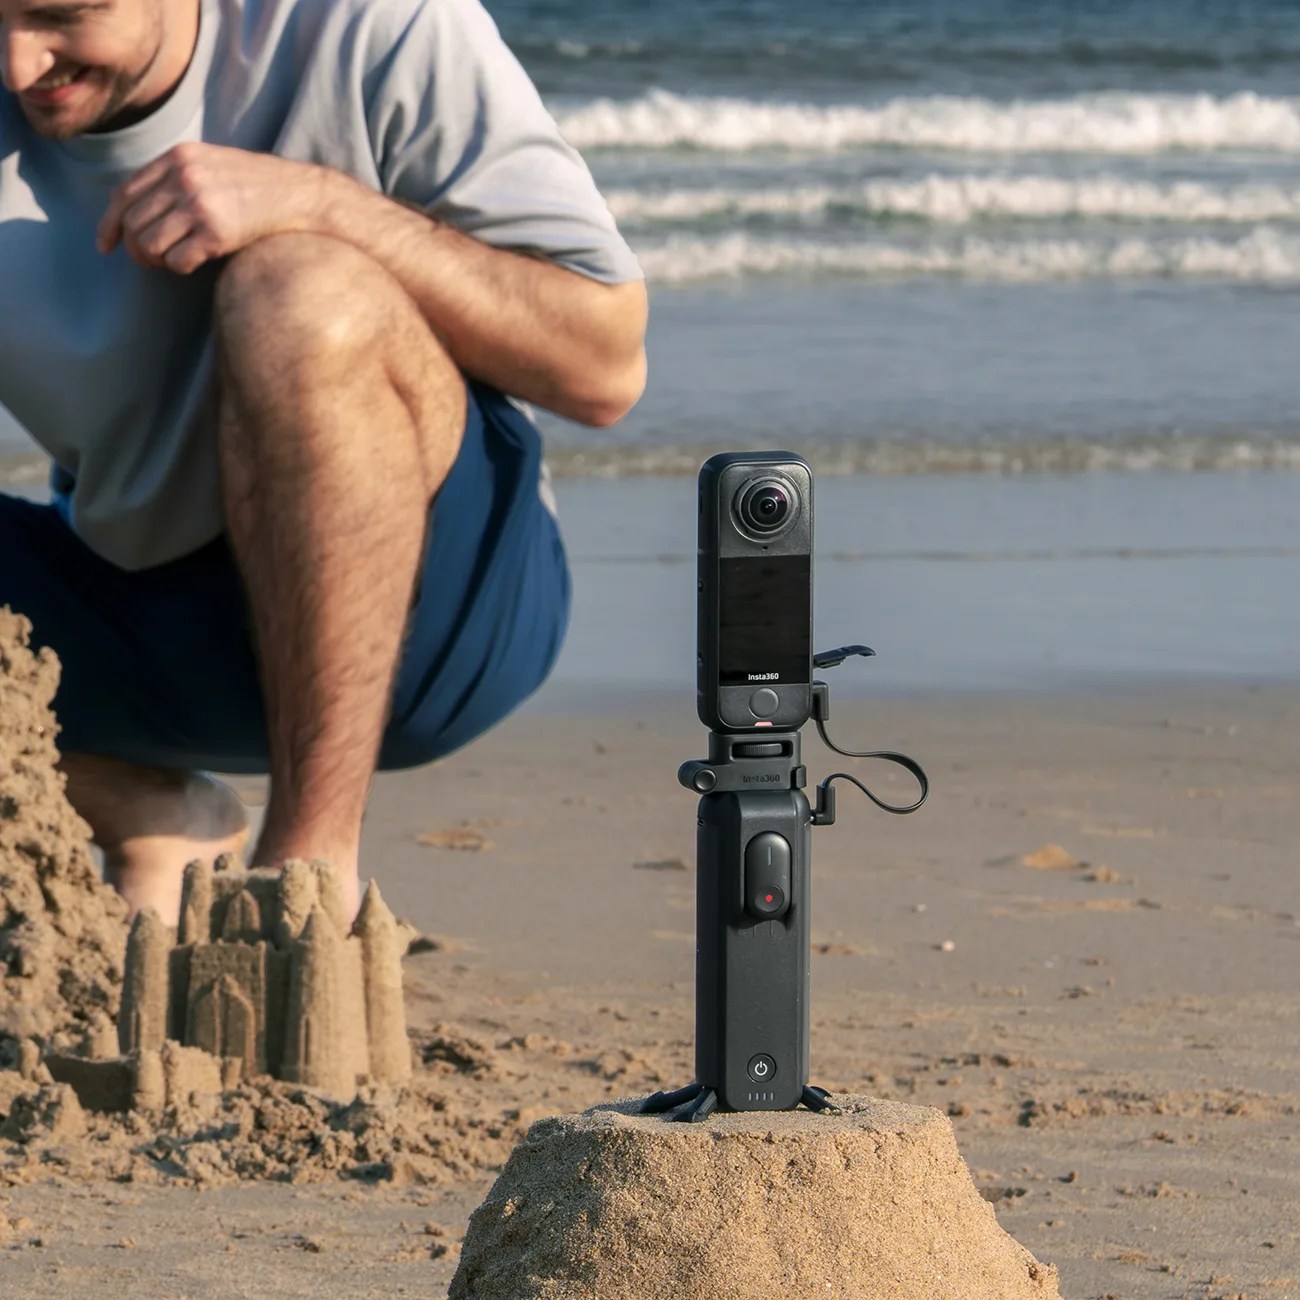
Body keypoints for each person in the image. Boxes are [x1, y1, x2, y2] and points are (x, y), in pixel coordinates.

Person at [0, 0, 648, 924]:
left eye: (61, 16)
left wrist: (321, 203)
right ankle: (149, 810)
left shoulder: (377, 25)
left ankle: (304, 883)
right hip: (143, 615)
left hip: (434, 625)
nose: (18, 64)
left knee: (300, 290)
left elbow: (605, 367)